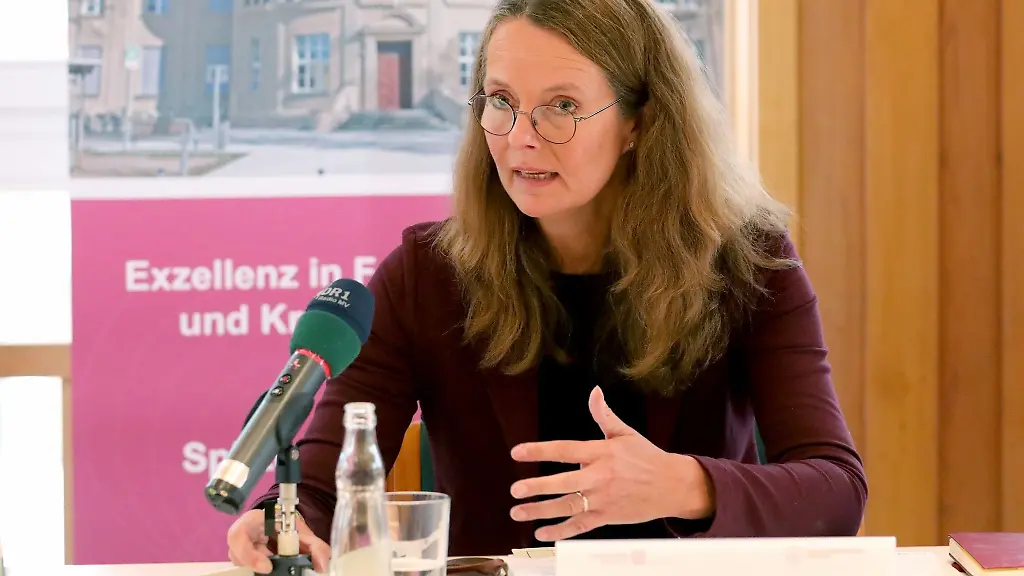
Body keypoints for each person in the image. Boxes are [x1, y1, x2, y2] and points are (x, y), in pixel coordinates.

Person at [227, 0, 867, 572]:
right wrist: (278, 521)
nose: (520, 138)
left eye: (562, 106)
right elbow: (317, 484)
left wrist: (680, 484)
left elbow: (837, 492)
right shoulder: (427, 272)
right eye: (500, 102)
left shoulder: (748, 263)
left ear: (639, 122)